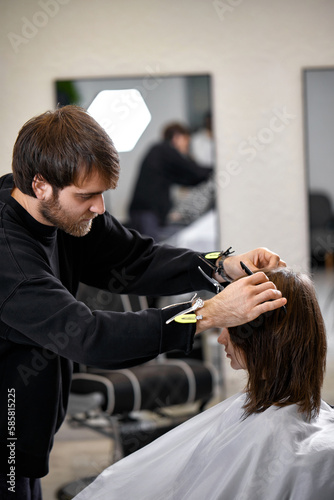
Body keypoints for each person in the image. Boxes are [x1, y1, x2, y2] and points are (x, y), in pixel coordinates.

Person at [0, 105, 286, 500]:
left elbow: (135, 259)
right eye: (88, 196)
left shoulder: (63, 213)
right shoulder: (8, 255)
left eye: (102, 194)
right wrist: (206, 314)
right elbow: (86, 335)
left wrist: (221, 265)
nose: (99, 208)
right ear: (40, 184)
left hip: (27, 428)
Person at [73, 267, 334, 500]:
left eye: (230, 325)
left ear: (264, 336)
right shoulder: (301, 420)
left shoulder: (273, 438)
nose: (221, 339)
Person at [128, 122, 213, 240]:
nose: (186, 147)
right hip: (147, 213)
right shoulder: (164, 149)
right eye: (186, 142)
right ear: (177, 137)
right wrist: (216, 168)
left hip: (144, 211)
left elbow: (188, 178)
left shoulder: (160, 153)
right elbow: (191, 170)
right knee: (151, 251)